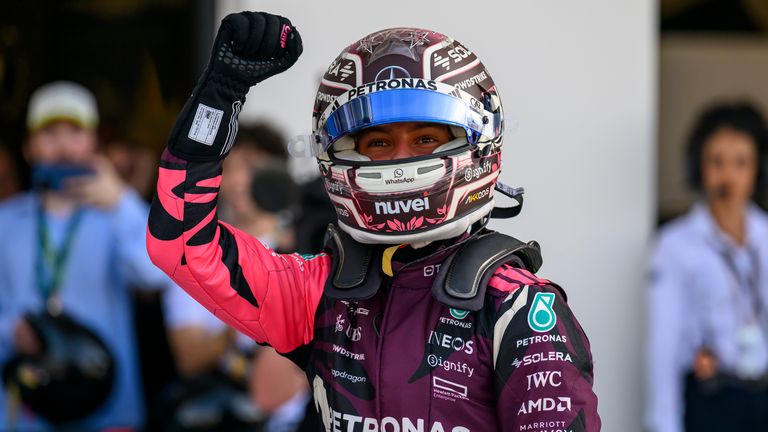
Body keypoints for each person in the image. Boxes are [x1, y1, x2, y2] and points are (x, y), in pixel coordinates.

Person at [147, 12, 601, 431]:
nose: (401, 160)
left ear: (479, 144)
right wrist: (219, 98)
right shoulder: (321, 293)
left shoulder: (517, 309)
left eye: (425, 138)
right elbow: (183, 244)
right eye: (378, 143)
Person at [0, 81, 171, 430]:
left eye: (75, 132)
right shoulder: (5, 221)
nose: (63, 146)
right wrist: (10, 332)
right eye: (50, 133)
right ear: (29, 147)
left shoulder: (119, 213)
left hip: (110, 412)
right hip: (25, 414)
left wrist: (120, 202)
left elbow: (157, 275)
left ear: (94, 143)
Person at [646, 102, 768, 432]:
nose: (728, 175)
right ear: (700, 166)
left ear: (757, 169)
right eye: (717, 162)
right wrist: (664, 423)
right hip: (712, 398)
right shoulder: (675, 245)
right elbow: (664, 344)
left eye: (741, 163)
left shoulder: (765, 236)